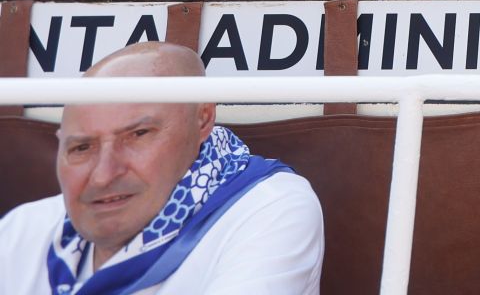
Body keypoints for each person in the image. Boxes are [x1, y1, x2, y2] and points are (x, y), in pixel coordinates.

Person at [0, 41, 324, 295]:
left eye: (138, 135)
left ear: (203, 119)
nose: (103, 175)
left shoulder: (267, 209)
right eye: (81, 147)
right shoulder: (24, 229)